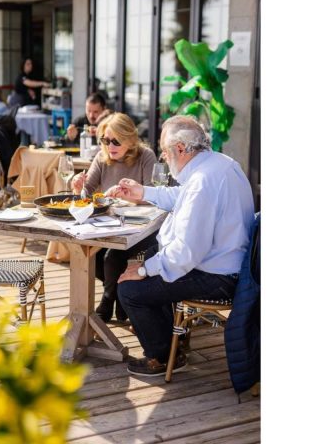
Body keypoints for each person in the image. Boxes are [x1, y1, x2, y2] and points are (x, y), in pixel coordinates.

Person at [107, 115, 255, 377]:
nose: (163, 158)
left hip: (217, 275)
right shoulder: (219, 164)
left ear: (180, 149)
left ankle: (164, 356)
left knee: (130, 289)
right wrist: (143, 192)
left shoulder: (202, 182)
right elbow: (182, 197)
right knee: (150, 258)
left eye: (164, 152)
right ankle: (175, 337)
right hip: (228, 263)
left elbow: (186, 253)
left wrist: (142, 271)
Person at [70, 113, 157, 323]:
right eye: (105, 140)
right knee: (92, 255)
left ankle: (108, 298)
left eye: (116, 140)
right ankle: (119, 294)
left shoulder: (146, 156)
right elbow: (86, 195)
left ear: (130, 139)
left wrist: (131, 197)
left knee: (111, 257)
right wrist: (77, 187)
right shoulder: (102, 158)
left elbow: (155, 196)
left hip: (142, 228)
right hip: (109, 224)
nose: (110, 145)